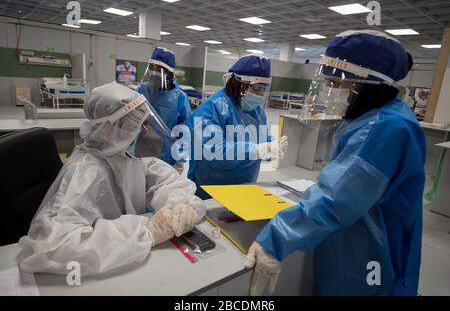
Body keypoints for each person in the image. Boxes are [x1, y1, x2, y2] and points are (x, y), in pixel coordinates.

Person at [245, 30, 426, 296]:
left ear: (367, 84)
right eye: (327, 80)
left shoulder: (385, 128)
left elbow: (336, 198)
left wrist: (275, 239)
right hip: (355, 238)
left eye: (336, 82)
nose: (329, 89)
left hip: (369, 257)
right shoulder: (371, 118)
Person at [18, 82, 205, 276]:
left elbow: (168, 181)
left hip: (132, 264)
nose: (144, 132)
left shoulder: (126, 155)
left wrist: (180, 205)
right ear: (107, 130)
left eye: (143, 124)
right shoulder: (85, 172)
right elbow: (51, 247)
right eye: (136, 126)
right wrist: (147, 232)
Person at [187, 55, 288, 199]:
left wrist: (272, 145)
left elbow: (260, 140)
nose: (259, 95)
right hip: (210, 191)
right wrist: (258, 150)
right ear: (239, 83)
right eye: (256, 88)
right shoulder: (212, 108)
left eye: (263, 90)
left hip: (245, 189)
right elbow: (213, 151)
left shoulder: (258, 111)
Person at [135, 47, 191, 173]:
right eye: (152, 69)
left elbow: (184, 131)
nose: (154, 74)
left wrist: (179, 160)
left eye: (158, 70)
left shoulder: (180, 98)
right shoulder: (140, 91)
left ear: (169, 74)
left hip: (166, 159)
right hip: (140, 155)